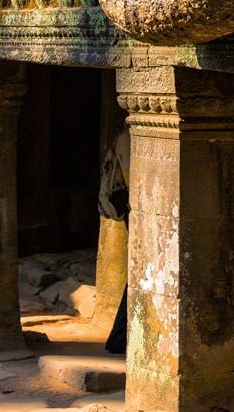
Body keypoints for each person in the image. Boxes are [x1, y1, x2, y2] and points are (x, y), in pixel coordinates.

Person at [100, 128, 130, 354]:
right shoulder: (128, 138)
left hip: (135, 208)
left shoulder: (124, 136)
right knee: (141, 277)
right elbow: (134, 179)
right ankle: (119, 338)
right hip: (137, 208)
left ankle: (120, 337)